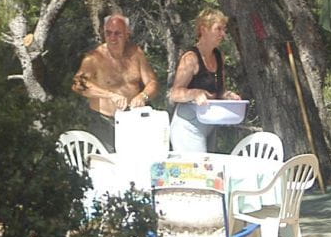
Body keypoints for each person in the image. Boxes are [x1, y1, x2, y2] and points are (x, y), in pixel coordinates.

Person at [72, 12, 160, 151]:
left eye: (117, 33)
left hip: (134, 120)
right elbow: (78, 85)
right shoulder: (94, 57)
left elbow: (153, 83)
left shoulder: (136, 53)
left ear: (127, 34)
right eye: (108, 33)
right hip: (105, 122)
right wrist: (110, 95)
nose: (112, 38)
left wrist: (143, 96)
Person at [168, 8, 242, 153]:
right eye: (218, 29)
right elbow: (175, 93)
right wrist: (194, 93)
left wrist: (228, 96)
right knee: (197, 173)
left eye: (224, 30)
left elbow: (218, 91)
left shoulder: (218, 56)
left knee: (209, 171)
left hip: (210, 124)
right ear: (203, 29)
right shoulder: (190, 58)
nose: (223, 34)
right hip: (188, 127)